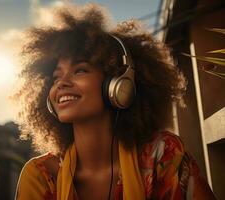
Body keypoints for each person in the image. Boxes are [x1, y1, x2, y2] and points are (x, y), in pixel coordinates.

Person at [13, 3, 216, 200]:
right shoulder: (40, 176)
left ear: (118, 84)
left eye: (80, 70)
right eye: (56, 77)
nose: (62, 84)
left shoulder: (163, 155)